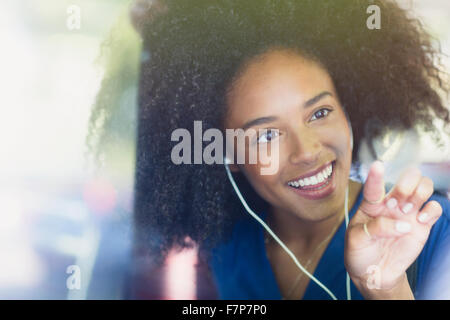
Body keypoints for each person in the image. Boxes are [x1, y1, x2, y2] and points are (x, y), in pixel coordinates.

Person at [128, 0, 450, 299]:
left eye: (320, 113)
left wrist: (388, 289)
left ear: (347, 110)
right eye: (266, 135)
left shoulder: (433, 228)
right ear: (229, 155)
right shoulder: (224, 248)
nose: (307, 151)